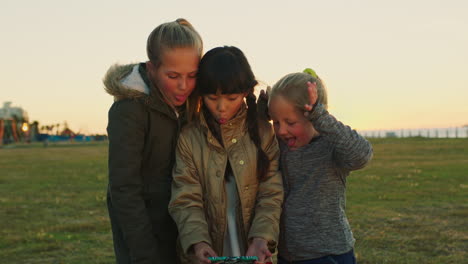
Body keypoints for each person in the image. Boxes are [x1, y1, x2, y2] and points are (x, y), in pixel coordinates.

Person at [168, 46, 284, 264]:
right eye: (212, 97)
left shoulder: (263, 133)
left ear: (246, 92)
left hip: (254, 252)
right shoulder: (189, 138)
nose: (221, 107)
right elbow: (185, 198)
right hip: (207, 253)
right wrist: (197, 242)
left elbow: (271, 193)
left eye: (231, 98)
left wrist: (261, 238)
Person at [103, 18, 203, 264]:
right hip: (145, 239)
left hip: (186, 233)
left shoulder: (195, 104)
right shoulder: (129, 110)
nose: (183, 86)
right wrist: (144, 255)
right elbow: (124, 189)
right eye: (173, 75)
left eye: (192, 75)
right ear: (151, 68)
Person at [265, 69, 373, 264]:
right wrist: (257, 119)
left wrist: (320, 116)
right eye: (276, 122)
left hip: (329, 255)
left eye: (290, 122)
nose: (281, 130)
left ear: (312, 116)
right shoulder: (280, 148)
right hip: (289, 256)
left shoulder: (331, 147)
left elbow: (362, 155)